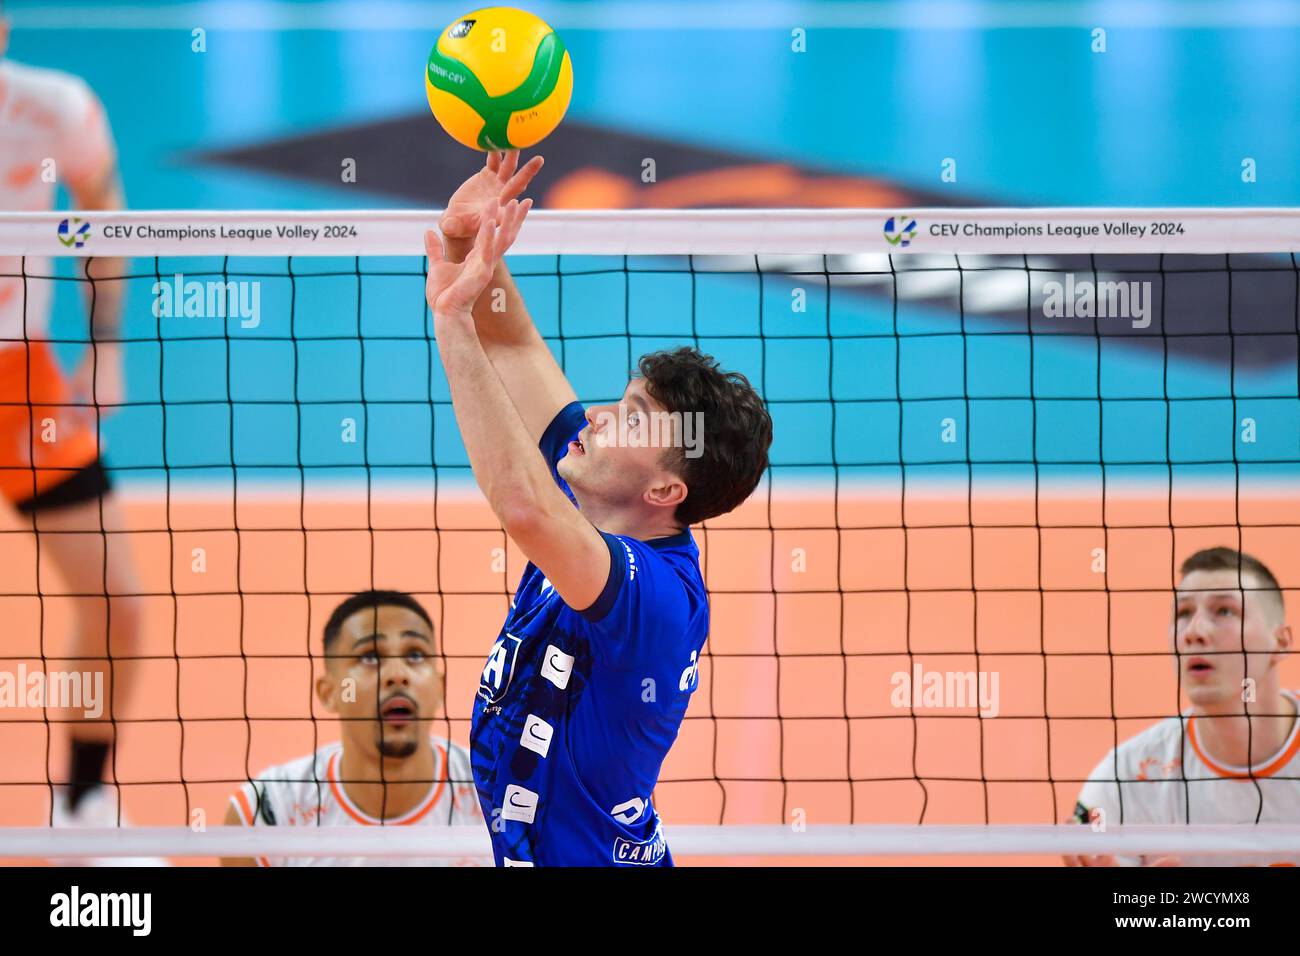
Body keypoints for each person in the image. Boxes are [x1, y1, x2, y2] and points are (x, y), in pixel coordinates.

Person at [424, 150, 773, 865]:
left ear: (665, 492)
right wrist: (466, 242)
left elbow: (523, 507)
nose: (602, 416)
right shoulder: (597, 492)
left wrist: (451, 321)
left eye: (635, 417)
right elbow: (516, 344)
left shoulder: (659, 602)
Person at [0, 9, 151, 860]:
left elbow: (101, 208)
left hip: (20, 385)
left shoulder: (56, 109)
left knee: (117, 606)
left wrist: (103, 349)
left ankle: (84, 806)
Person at [1066, 548, 1298, 867]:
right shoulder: (1127, 779)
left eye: (1225, 611)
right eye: (1183, 613)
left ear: (1281, 642)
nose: (1194, 633)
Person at [222, 590, 484, 867]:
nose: (397, 674)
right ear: (329, 692)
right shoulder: (267, 814)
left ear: (440, 687)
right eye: (370, 656)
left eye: (416, 655)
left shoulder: (492, 792)